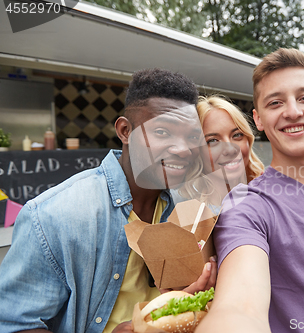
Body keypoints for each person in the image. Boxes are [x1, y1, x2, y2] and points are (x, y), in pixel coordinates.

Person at [0, 68, 216, 333]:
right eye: (162, 132)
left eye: (192, 137)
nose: (183, 149)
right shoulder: (53, 216)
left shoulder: (190, 208)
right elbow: (13, 324)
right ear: (125, 131)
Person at [197, 48, 304, 333]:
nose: (293, 112)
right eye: (275, 102)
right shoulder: (245, 205)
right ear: (258, 119)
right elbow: (238, 308)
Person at [176, 95, 264, 212]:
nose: (230, 149)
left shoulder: (272, 196)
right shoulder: (181, 210)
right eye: (213, 141)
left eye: (237, 135)